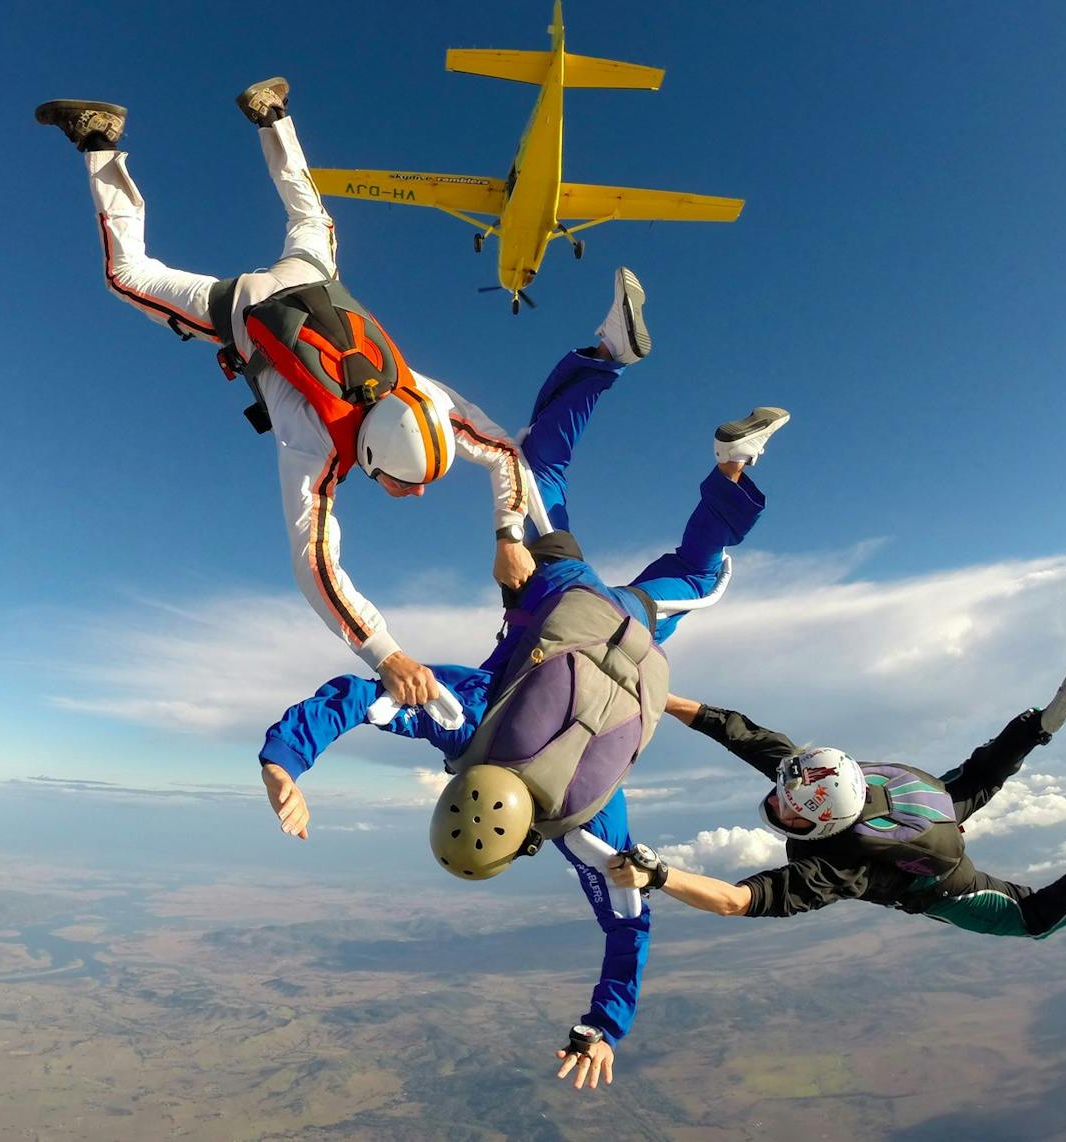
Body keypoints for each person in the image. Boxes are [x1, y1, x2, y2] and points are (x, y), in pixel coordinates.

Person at [258, 359, 788, 1090]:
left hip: (631, 630)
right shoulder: (463, 720)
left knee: (696, 576)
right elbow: (354, 698)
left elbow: (627, 925)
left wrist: (604, 1026)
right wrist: (285, 762)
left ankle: (732, 466)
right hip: (558, 599)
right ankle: (606, 357)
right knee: (539, 469)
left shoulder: (589, 825)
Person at [36, 83, 647, 710]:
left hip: (314, 276)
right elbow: (315, 567)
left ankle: (273, 115)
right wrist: (388, 653)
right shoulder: (317, 443)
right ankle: (98, 141)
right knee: (128, 276)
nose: (414, 495)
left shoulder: (424, 400)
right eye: (406, 485)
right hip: (240, 311)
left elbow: (502, 453)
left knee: (309, 216)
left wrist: (507, 536)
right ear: (372, 460)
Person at [608, 664, 1066, 940]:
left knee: (1031, 919)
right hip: (927, 807)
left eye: (791, 812)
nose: (778, 803)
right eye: (783, 793)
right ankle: (1037, 726)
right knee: (972, 781)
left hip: (942, 879)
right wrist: (653, 692)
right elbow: (730, 726)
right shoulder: (814, 776)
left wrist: (660, 874)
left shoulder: (839, 866)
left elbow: (739, 901)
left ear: (824, 820)